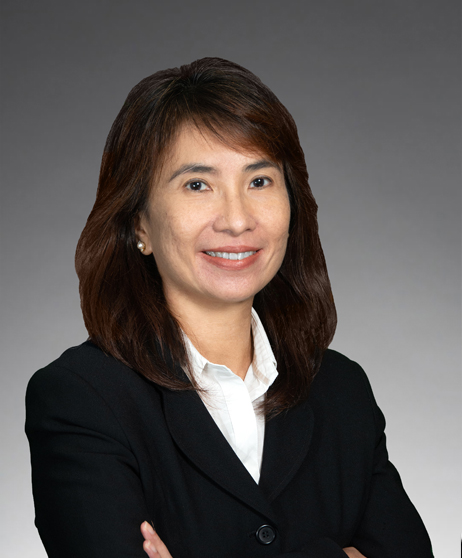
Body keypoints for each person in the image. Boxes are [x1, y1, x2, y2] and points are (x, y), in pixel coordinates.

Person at [25, 57, 433, 558]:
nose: (237, 220)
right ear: (139, 224)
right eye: (198, 185)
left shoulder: (342, 391)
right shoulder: (80, 399)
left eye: (259, 181)